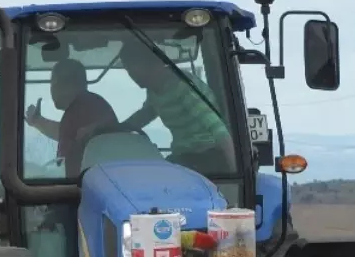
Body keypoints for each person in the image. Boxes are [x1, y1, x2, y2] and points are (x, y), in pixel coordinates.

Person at [117, 40, 235, 172]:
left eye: (132, 68)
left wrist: (235, 175)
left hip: (207, 156)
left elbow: (219, 130)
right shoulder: (154, 89)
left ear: (151, 64)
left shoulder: (183, 86)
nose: (131, 75)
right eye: (128, 69)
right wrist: (114, 130)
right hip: (184, 156)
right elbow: (145, 114)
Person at [24, 58, 119, 178]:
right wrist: (38, 121)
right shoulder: (90, 105)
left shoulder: (81, 109)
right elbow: (67, 133)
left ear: (62, 84)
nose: (52, 90)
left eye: (53, 84)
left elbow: (67, 169)